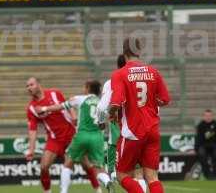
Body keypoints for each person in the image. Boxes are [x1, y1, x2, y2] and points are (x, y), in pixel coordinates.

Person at [109, 38, 171, 193]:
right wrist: (148, 105)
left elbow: (116, 103)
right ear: (139, 51)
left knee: (122, 174)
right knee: (152, 177)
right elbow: (165, 100)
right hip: (152, 130)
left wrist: (112, 114)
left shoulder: (119, 74)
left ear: (124, 53)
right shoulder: (153, 72)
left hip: (133, 132)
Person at [25, 77, 101, 193]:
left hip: (71, 135)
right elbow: (32, 130)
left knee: (86, 165)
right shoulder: (31, 108)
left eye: (31, 85)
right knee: (43, 167)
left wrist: (74, 116)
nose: (29, 88)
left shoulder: (55, 93)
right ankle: (48, 191)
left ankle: (97, 189)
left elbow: (68, 105)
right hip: (54, 139)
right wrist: (31, 149)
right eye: (27, 86)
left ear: (38, 85)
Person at [97, 54, 147, 192]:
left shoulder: (111, 82)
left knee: (117, 175)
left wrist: (101, 122)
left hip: (118, 137)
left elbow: (101, 107)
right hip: (139, 134)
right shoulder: (141, 81)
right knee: (139, 174)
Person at [194, 109, 216, 180]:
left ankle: (215, 174)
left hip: (214, 145)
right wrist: (196, 148)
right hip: (203, 145)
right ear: (203, 117)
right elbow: (198, 138)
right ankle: (207, 174)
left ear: (212, 116)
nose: (208, 117)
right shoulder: (200, 125)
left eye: (210, 116)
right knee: (201, 154)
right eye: (206, 116)